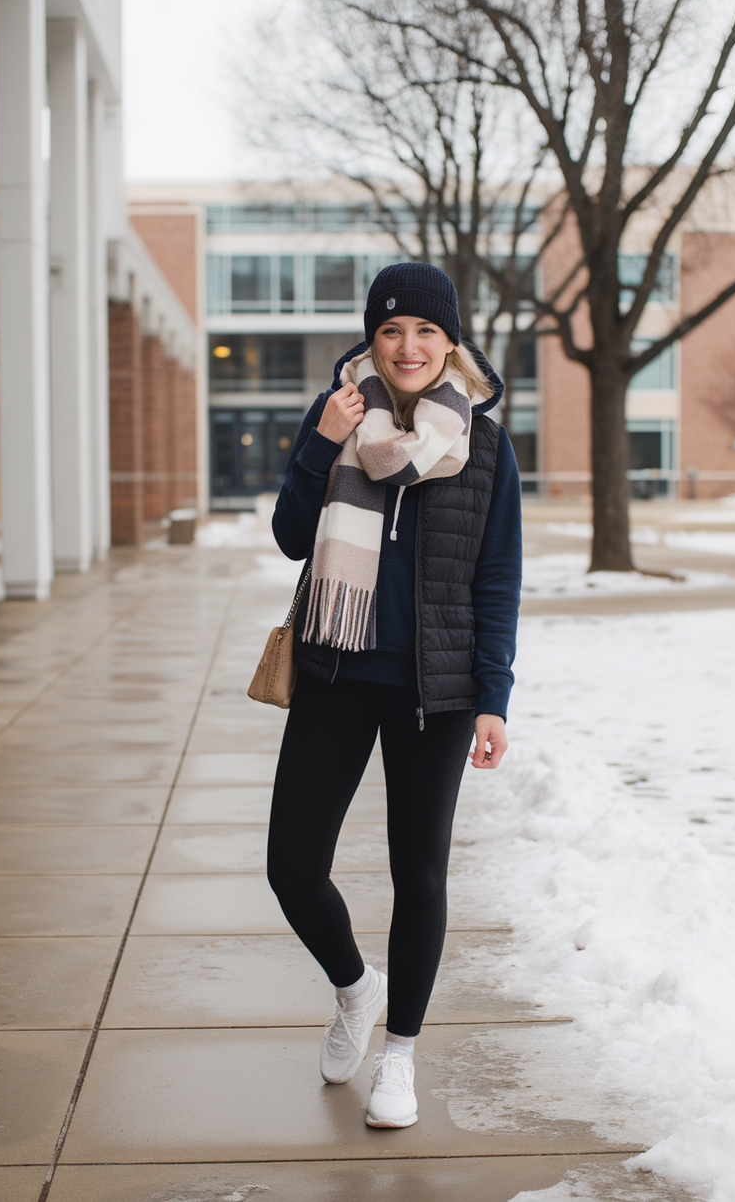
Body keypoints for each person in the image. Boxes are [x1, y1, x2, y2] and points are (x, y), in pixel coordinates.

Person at [268, 262, 522, 1129]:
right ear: (371, 339)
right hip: (337, 671)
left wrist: (494, 696)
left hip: (436, 691)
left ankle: (403, 1057)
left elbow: (498, 578)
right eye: (390, 330)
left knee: (420, 874)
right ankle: (354, 987)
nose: (408, 347)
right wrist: (318, 443)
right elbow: (292, 537)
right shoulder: (338, 413)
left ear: (450, 340)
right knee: (292, 865)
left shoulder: (484, 444)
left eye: (426, 330)